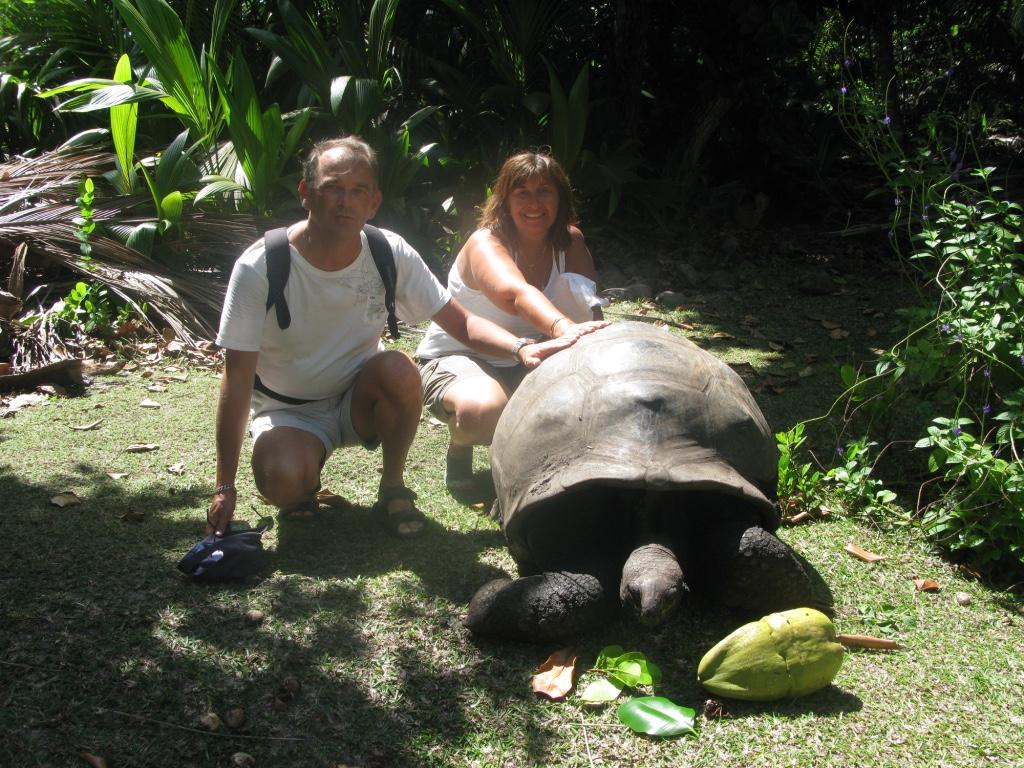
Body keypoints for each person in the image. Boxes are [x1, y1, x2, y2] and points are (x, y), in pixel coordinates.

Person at [207, 136, 591, 540]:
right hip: (289, 408)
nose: (345, 202)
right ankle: (303, 482)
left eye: (358, 191)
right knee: (281, 481)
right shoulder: (262, 266)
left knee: (400, 367)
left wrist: (522, 348)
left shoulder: (388, 251)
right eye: (332, 189)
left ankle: (393, 486)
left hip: (361, 396)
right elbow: (236, 379)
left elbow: (461, 323)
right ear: (306, 194)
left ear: (374, 202)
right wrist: (224, 487)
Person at [416, 150, 608, 492]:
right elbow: (516, 293)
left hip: (533, 356)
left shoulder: (571, 242)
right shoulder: (484, 242)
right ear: (504, 200)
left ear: (560, 197)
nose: (534, 203)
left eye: (544, 191)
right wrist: (563, 328)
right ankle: (460, 445)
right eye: (522, 193)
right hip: (461, 355)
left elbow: (589, 308)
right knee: (483, 413)